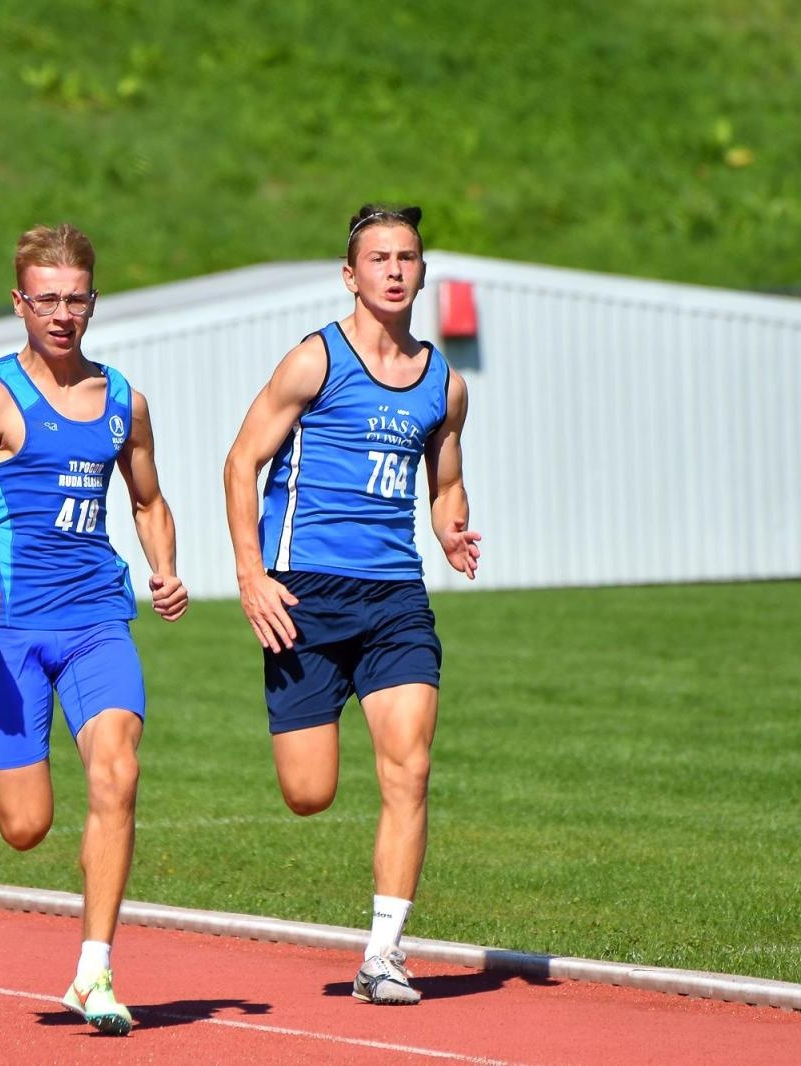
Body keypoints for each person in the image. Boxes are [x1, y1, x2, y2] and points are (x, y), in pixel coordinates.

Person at [0, 223, 187, 1036]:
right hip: (8, 626)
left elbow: (148, 501)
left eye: (76, 300)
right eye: (47, 300)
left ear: (93, 303)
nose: (63, 314)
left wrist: (164, 567)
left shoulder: (123, 403)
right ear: (20, 304)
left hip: (96, 618)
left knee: (117, 774)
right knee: (26, 826)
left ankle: (94, 970)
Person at [223, 203, 480, 1006]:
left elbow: (445, 481)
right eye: (379, 258)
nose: (395, 270)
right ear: (351, 274)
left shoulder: (445, 383)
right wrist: (250, 575)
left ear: (422, 271)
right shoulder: (314, 362)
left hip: (395, 599)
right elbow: (240, 463)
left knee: (410, 766)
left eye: (408, 257)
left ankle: (384, 955)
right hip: (304, 594)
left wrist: (450, 532)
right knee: (310, 793)